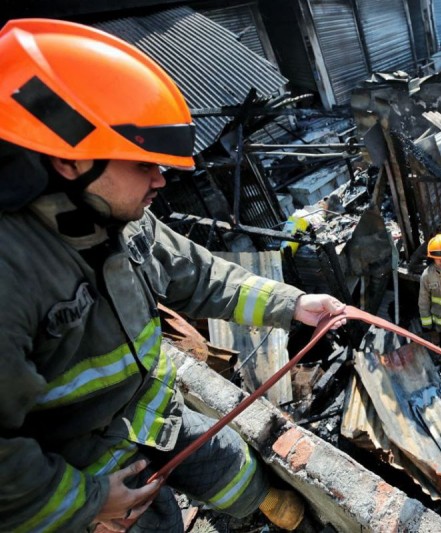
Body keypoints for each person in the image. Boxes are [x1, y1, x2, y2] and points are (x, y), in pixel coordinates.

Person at [0, 19, 346, 533]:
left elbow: (201, 276)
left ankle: (281, 515)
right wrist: (86, 503)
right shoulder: (11, 274)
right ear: (70, 162)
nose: (161, 180)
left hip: (152, 413)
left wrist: (293, 304)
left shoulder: (121, 218)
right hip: (81, 470)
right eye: (144, 165)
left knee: (234, 469)